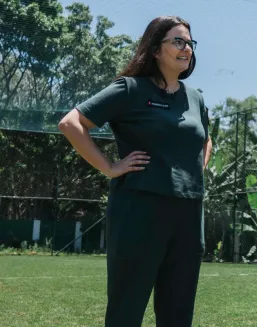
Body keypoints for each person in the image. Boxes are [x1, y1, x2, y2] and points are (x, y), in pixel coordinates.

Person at [58, 16, 212, 327]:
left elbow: (206, 140)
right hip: (138, 210)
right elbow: (71, 124)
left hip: (188, 213)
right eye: (178, 41)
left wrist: (191, 170)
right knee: (126, 311)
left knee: (178, 313)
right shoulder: (129, 89)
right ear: (156, 49)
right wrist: (110, 167)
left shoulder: (195, 98)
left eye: (190, 43)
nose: (187, 48)